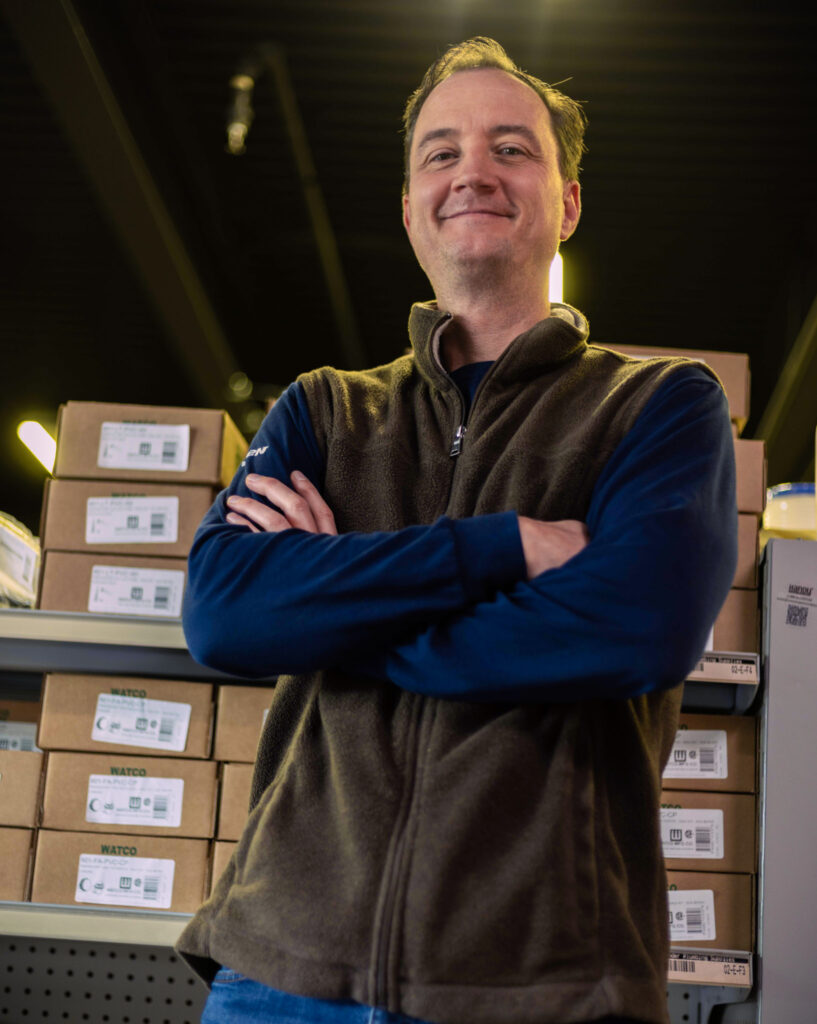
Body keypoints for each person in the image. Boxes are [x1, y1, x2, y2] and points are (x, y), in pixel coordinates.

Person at [177, 37, 737, 1024]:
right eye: (440, 152)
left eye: (510, 148)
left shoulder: (658, 408)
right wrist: (500, 549)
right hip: (281, 973)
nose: (471, 171)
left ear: (565, 202)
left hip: (542, 984)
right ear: (407, 208)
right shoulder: (321, 411)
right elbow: (224, 617)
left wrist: (331, 605)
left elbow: (634, 629)